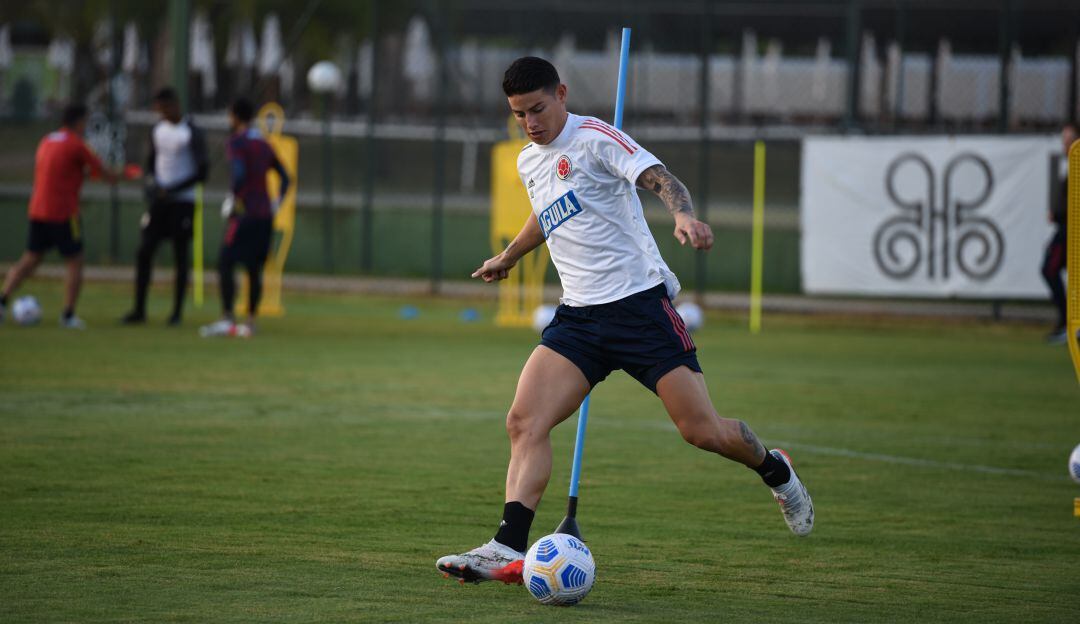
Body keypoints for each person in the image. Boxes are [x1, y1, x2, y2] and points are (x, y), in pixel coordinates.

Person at [436, 57, 814, 585]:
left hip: (640, 310)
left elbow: (660, 178)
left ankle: (776, 469)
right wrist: (511, 255)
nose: (531, 122)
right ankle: (507, 546)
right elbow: (549, 211)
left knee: (702, 432)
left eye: (538, 109)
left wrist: (682, 214)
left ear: (562, 94)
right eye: (520, 114)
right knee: (524, 421)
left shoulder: (596, 138)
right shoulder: (529, 160)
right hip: (578, 319)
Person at [0, 104, 119, 328]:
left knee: (31, 258)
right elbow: (104, 173)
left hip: (38, 209)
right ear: (79, 121)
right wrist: (123, 174)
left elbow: (60, 170)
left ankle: (3, 300)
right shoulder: (76, 144)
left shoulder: (48, 140)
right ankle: (68, 315)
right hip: (64, 213)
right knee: (75, 262)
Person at [199, 98, 289, 338]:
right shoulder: (263, 144)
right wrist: (276, 202)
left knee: (225, 262)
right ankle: (250, 321)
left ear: (235, 116)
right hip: (265, 215)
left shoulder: (237, 143)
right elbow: (285, 177)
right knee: (253, 268)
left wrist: (233, 198)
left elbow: (239, 174)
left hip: (245, 213)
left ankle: (227, 317)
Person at [121, 87, 209, 326]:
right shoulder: (158, 130)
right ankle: (139, 309)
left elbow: (201, 172)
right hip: (159, 202)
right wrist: (152, 184)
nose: (162, 113)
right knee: (144, 251)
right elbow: (152, 163)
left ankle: (176, 313)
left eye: (164, 108)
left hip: (183, 202)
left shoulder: (191, 131)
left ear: (175, 105)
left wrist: (172, 190)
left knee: (180, 255)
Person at [1043, 121, 1076, 345]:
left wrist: (1058, 214)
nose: (1064, 145)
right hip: (1065, 228)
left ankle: (1068, 323)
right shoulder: (1071, 167)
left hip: (1069, 231)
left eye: (1068, 140)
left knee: (1050, 269)